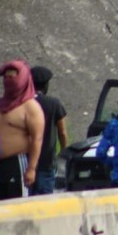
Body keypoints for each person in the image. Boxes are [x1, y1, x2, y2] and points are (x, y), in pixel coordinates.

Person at [0, 60, 45, 201]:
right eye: (6, 77)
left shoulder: (31, 107)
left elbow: (37, 139)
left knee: (17, 205)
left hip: (18, 163)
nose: (8, 80)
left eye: (13, 77)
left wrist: (31, 168)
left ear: (22, 79)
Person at [29, 66, 68, 195]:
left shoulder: (24, 103)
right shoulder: (54, 103)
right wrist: (64, 152)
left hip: (26, 162)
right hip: (47, 162)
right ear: (46, 85)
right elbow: (62, 132)